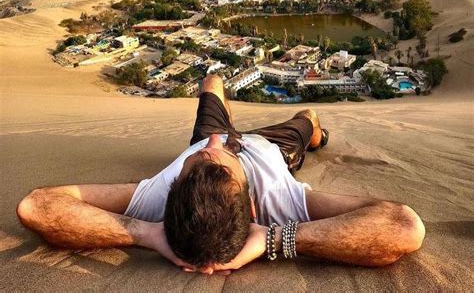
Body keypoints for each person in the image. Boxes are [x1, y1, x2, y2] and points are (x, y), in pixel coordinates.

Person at [17, 75, 425, 274]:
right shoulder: (282, 204)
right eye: (213, 162)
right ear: (251, 203)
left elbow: (38, 206)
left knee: (212, 80)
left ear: (175, 181)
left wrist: (144, 233)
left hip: (225, 135)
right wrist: (273, 239)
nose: (214, 147)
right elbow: (403, 227)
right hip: (271, 148)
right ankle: (312, 130)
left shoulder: (161, 193)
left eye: (195, 162)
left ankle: (250, 115)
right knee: (306, 119)